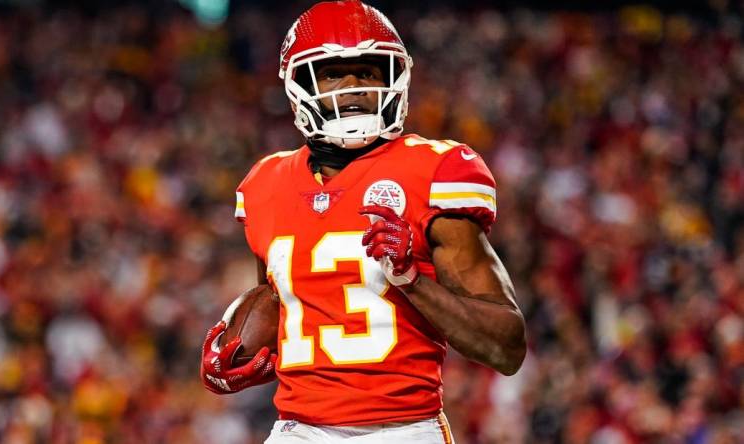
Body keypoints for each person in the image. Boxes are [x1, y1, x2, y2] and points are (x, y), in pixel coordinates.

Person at [200, 1, 526, 442]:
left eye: (369, 72)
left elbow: (507, 348)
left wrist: (412, 279)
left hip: (403, 428)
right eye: (334, 73)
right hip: (297, 429)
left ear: (394, 79)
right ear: (299, 84)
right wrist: (232, 353)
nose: (353, 86)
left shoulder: (435, 170)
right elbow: (278, 299)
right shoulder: (265, 183)